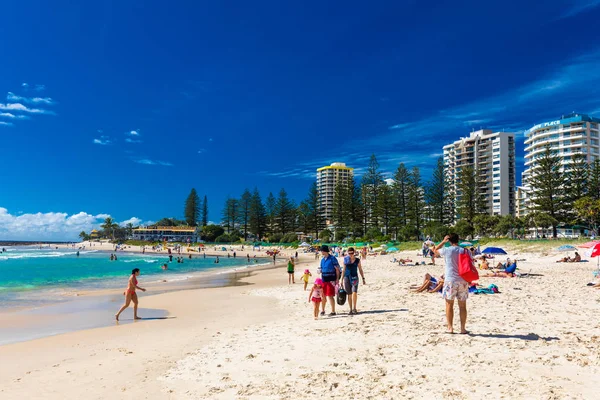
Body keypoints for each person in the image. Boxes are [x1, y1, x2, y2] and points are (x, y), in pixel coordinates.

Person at [432, 234, 469, 334]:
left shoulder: (447, 250)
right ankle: (462, 328)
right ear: (458, 240)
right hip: (463, 280)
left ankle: (450, 328)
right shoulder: (465, 251)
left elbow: (434, 250)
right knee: (462, 306)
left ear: (449, 241)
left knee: (449, 305)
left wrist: (443, 242)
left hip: (450, 280)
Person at [341, 247, 366, 315]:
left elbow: (360, 269)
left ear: (354, 253)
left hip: (354, 277)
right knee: (349, 294)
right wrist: (341, 280)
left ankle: (354, 308)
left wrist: (363, 278)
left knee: (354, 292)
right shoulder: (345, 260)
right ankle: (350, 309)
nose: (351, 254)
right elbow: (343, 270)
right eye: (349, 253)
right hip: (347, 277)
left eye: (352, 253)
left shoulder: (357, 260)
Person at [319, 245, 340, 316]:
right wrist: (320, 270)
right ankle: (323, 310)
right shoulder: (322, 260)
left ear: (324, 251)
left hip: (331, 279)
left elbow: (337, 269)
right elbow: (321, 268)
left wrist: (337, 279)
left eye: (321, 250)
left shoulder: (332, 259)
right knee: (323, 295)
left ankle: (333, 311)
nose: (321, 252)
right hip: (324, 279)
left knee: (330, 295)